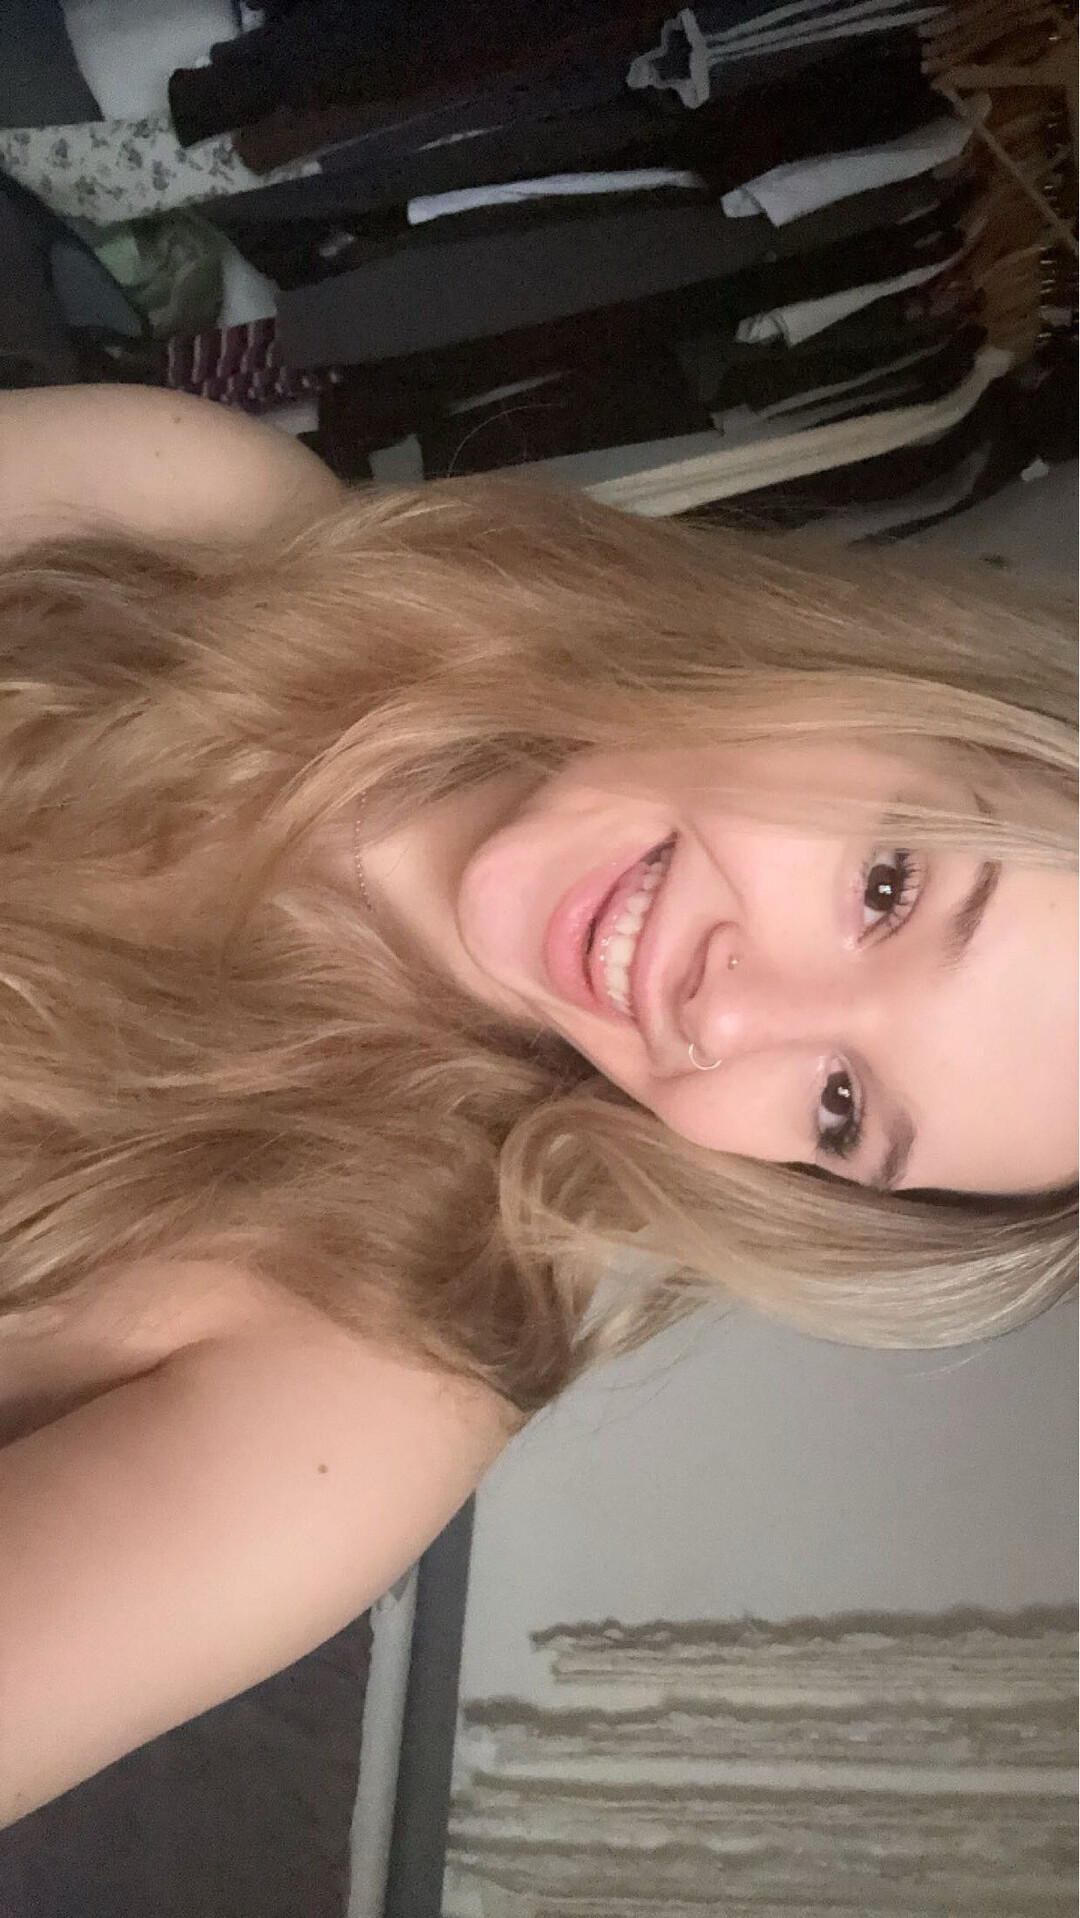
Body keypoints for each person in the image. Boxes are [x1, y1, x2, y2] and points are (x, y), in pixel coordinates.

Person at [0, 385, 1074, 1827]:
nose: (726, 1016)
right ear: (872, 675)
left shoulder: (370, 1378)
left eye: (837, 1107)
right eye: (886, 890)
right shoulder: (202, 509)